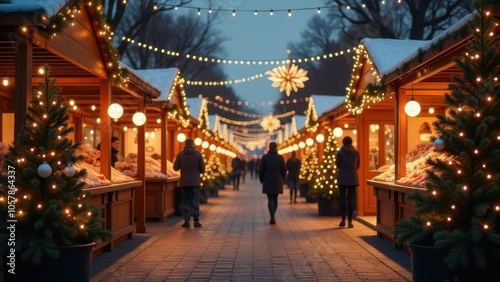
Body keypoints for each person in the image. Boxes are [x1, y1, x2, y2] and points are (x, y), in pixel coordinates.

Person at [173, 138, 205, 228]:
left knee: (185, 201)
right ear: (193, 144)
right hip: (195, 182)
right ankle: (196, 221)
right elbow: (202, 169)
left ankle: (186, 221)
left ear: (185, 144)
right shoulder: (198, 155)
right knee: (195, 201)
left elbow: (175, 168)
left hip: (184, 182)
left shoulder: (180, 155)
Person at [259, 142, 286, 225]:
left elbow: (261, 170)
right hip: (277, 180)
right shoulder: (280, 157)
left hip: (268, 180)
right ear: (276, 147)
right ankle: (273, 215)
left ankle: (272, 216)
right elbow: (284, 170)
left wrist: (262, 179)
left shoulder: (265, 157)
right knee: (275, 198)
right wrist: (282, 179)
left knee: (270, 198)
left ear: (269, 147)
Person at [336, 136, 360, 228]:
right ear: (351, 142)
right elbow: (358, 165)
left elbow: (337, 165)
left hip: (342, 177)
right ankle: (350, 222)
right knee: (350, 199)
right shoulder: (356, 153)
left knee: (343, 199)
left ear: (343, 142)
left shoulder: (339, 153)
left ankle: (343, 220)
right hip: (353, 177)